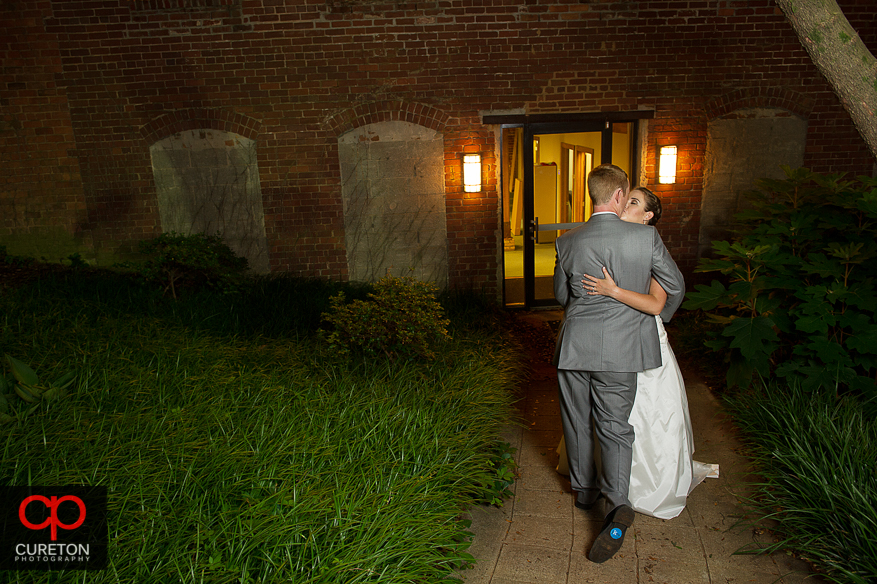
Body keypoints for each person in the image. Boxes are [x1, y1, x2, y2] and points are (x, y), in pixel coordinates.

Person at [557, 187, 717, 520]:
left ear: (647, 216)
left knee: (634, 419)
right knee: (616, 422)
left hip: (637, 341)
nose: (626, 204)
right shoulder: (618, 238)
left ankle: (609, 491)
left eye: (634, 202)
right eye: (626, 198)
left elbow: (662, 298)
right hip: (619, 346)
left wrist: (652, 319)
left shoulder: (645, 241)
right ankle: (615, 496)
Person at [553, 167, 685, 563]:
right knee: (615, 427)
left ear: (591, 195)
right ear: (619, 194)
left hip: (575, 347)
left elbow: (562, 295)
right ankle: (616, 505)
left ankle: (584, 493)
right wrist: (654, 322)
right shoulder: (645, 237)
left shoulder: (567, 241)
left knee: (578, 419)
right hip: (621, 351)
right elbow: (674, 285)